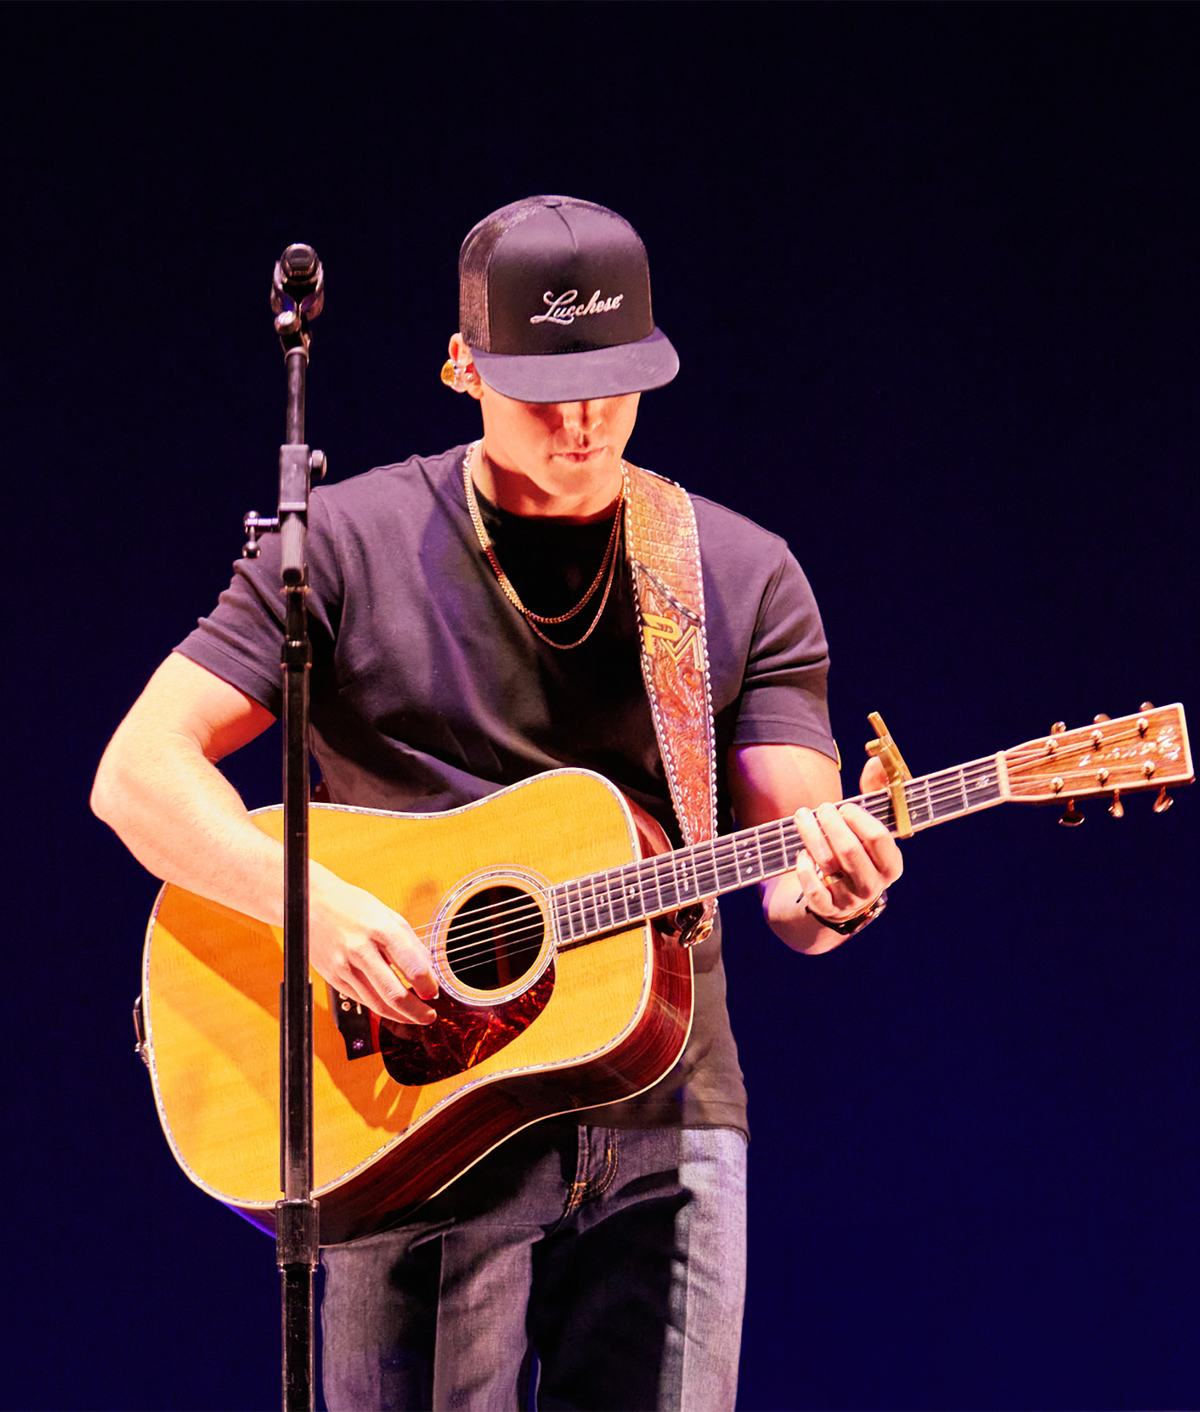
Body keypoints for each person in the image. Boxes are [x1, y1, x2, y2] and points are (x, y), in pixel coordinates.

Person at [92, 195, 903, 1412]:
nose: (582, 421)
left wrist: (837, 890)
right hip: (411, 1101)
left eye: (613, 386)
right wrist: (315, 909)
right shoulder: (343, 546)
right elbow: (137, 772)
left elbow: (795, 876)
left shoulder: (737, 573)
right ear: (463, 366)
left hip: (663, 1111)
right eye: (544, 389)